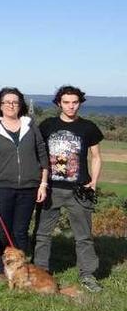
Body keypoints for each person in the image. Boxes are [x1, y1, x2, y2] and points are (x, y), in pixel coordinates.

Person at [33, 85, 104, 292]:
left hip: (79, 190)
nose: (71, 106)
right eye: (66, 102)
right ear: (58, 104)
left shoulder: (88, 127)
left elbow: (96, 156)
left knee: (83, 236)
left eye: (75, 102)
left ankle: (87, 275)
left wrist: (94, 182)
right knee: (42, 234)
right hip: (51, 188)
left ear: (80, 103)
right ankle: (40, 272)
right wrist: (40, 182)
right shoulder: (47, 125)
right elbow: (37, 154)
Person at [0, 87, 48, 279]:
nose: (11, 105)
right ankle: (1, 270)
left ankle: (20, 271)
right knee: (2, 232)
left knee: (20, 231)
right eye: (7, 102)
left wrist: (43, 184)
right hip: (2, 187)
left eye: (15, 102)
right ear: (0, 105)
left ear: (21, 105)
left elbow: (42, 155)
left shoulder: (30, 126)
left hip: (29, 187)